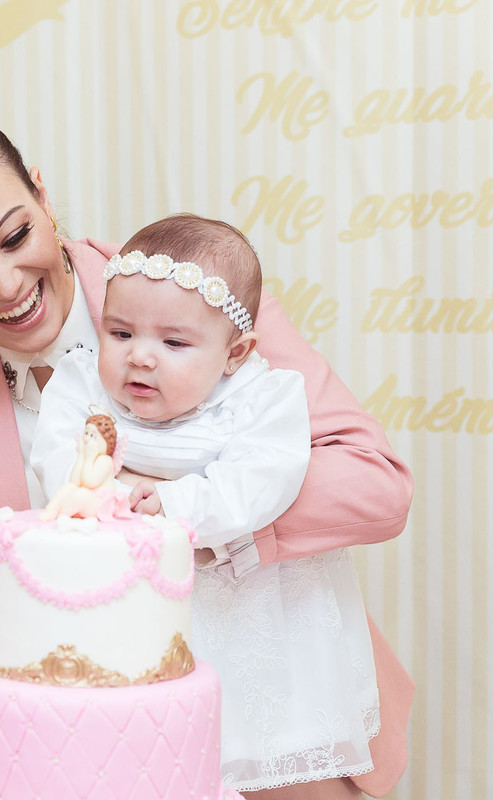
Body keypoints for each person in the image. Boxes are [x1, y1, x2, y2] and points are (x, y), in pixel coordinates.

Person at [0, 87, 415, 799]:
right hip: (89, 748)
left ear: (42, 196)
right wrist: (90, 627)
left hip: (276, 721)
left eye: (14, 235)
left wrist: (195, 531)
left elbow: (375, 485)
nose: (4, 285)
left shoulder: (192, 288)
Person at [31, 214, 381, 793]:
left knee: (259, 751)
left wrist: (172, 501)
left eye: (173, 342)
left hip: (255, 617)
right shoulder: (79, 386)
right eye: (120, 334)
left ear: (234, 352)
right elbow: (59, 465)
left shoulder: (262, 397)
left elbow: (261, 481)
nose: (140, 357)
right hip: (139, 619)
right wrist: (116, 495)